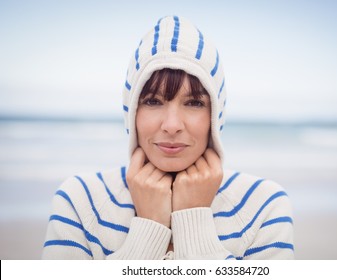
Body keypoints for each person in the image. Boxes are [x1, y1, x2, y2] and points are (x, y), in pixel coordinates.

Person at [42, 15, 294, 260]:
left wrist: (193, 223)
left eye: (194, 103)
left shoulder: (264, 205)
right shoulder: (80, 200)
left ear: (216, 114)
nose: (172, 125)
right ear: (131, 110)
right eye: (153, 101)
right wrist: (149, 227)